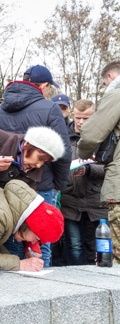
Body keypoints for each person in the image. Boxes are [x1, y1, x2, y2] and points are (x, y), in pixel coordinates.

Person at [0, 64, 71, 267]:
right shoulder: (50, 108)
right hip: (41, 185)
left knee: (11, 238)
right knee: (40, 241)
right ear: (44, 85)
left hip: (4, 187)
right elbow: (64, 151)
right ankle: (42, 289)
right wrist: (57, 184)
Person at [53, 99, 106, 265]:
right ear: (72, 114)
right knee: (74, 245)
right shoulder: (62, 136)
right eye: (78, 118)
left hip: (95, 201)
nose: (81, 122)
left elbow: (111, 167)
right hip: (70, 201)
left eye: (86, 118)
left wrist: (90, 169)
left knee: (98, 245)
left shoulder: (102, 137)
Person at [77, 61, 120, 264]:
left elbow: (92, 134)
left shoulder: (116, 93)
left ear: (111, 78)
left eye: (104, 84)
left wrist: (83, 153)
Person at [0, 179, 64, 271]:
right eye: (37, 239)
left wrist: (13, 260)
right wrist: (20, 264)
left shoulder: (9, 208)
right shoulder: (0, 215)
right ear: (32, 227)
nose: (34, 242)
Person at [0, 126, 65, 190]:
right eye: (40, 158)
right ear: (27, 145)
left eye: (44, 162)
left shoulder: (33, 173)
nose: (39, 165)